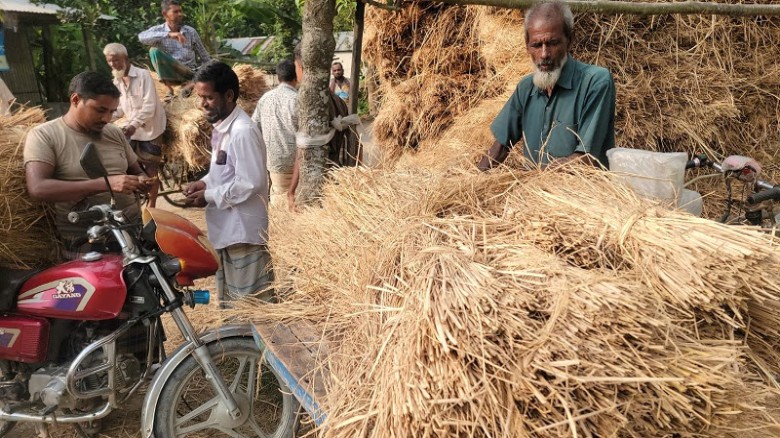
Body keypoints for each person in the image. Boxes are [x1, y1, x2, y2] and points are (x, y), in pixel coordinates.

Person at [23, 72, 152, 257]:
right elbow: (38, 188)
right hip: (87, 243)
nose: (107, 118)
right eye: (100, 110)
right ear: (75, 99)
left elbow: (136, 169)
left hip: (132, 232)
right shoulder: (45, 135)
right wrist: (105, 184)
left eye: (112, 111)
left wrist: (143, 180)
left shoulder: (114, 133)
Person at [478, 0, 615, 171]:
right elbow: (500, 147)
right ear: (527, 46)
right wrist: (473, 183)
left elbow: (586, 160)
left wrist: (536, 182)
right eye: (536, 45)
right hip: (533, 193)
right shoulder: (525, 88)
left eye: (552, 43)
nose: (544, 54)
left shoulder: (595, 82)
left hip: (577, 194)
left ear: (570, 41)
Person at [182, 61, 271, 308]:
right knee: (233, 307)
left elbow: (250, 181)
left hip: (243, 233)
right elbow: (221, 172)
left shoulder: (242, 131)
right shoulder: (222, 128)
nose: (202, 104)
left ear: (229, 95)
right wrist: (202, 183)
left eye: (208, 97)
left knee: (252, 310)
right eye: (200, 97)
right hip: (227, 232)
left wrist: (208, 196)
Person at [287, 44, 361, 210]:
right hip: (339, 177)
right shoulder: (336, 99)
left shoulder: (308, 102)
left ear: (300, 66)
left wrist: (291, 190)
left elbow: (304, 148)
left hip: (319, 184)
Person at [104, 43, 166, 208]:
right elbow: (119, 110)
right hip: (132, 130)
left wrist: (133, 125)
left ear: (125, 58)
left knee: (151, 170)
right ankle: (136, 202)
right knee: (129, 167)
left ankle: (152, 206)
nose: (112, 65)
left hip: (151, 128)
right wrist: (105, 117)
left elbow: (149, 106)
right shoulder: (116, 81)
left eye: (115, 60)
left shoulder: (143, 75)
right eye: (109, 61)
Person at [138, 0, 211, 99]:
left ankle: (192, 83)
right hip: (171, 75)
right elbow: (141, 37)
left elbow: (205, 57)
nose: (180, 14)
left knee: (214, 63)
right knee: (153, 51)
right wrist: (168, 35)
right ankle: (170, 90)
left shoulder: (190, 31)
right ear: (165, 14)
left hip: (189, 72)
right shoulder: (159, 30)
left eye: (180, 11)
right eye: (175, 12)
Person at [251, 59, 298, 208]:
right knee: (295, 202)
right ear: (297, 75)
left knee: (278, 198)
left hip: (273, 162)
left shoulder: (265, 99)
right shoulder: (297, 99)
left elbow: (253, 127)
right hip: (296, 162)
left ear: (278, 78)